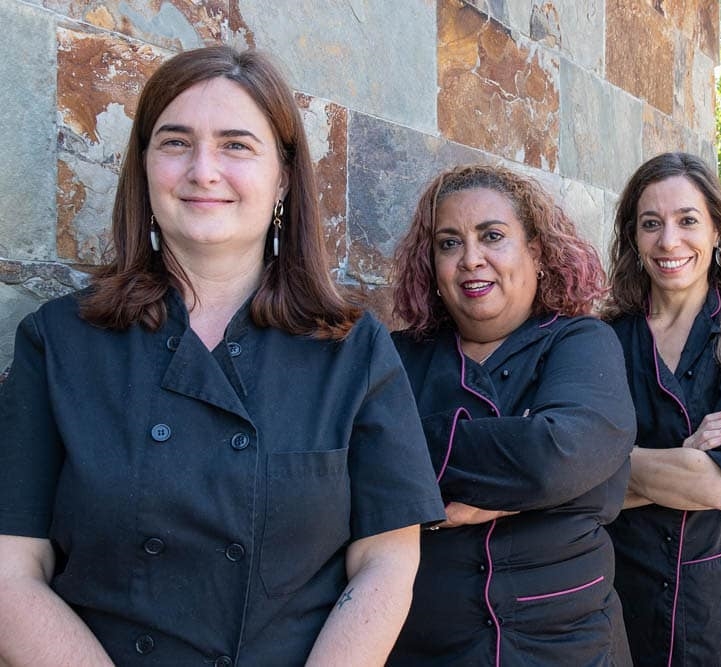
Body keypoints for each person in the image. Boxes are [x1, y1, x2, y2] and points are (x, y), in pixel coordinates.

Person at [0, 46, 445, 665]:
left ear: (283, 177)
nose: (203, 170)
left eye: (236, 144)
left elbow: (386, 560)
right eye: (175, 142)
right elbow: (11, 568)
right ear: (144, 166)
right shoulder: (58, 341)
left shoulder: (353, 349)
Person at [387, 164, 637, 665]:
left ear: (536, 252)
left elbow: (557, 457)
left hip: (566, 642)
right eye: (449, 243)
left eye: (492, 236)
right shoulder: (396, 358)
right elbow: (353, 465)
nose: (470, 259)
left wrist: (413, 470)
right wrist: (530, 488)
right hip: (430, 646)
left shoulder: (581, 342)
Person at [604, 152, 721, 666]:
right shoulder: (602, 339)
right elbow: (567, 483)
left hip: (707, 612)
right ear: (633, 238)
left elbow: (720, 485)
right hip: (611, 593)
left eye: (687, 221)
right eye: (651, 224)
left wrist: (609, 466)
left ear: (717, 230)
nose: (668, 241)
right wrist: (683, 456)